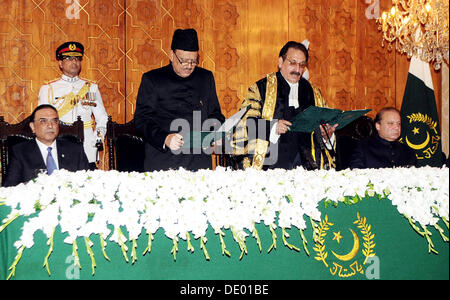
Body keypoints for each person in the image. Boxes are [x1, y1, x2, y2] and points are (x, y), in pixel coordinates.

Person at [232, 41, 337, 170]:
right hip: (271, 164)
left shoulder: (313, 93)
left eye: (302, 65)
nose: (297, 70)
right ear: (280, 62)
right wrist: (273, 127)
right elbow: (245, 124)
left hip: (307, 166)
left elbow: (324, 125)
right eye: (292, 63)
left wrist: (327, 135)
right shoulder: (261, 89)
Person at [134, 28, 225, 171]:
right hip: (164, 160)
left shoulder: (205, 78)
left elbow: (216, 114)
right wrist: (165, 138)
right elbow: (142, 120)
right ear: (171, 55)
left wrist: (213, 133)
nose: (189, 66)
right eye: (184, 61)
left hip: (198, 161)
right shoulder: (152, 79)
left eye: (194, 61)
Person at [38, 41, 108, 170]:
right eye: (69, 58)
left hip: (87, 146)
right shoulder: (48, 88)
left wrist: (97, 137)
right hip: (59, 144)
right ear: (60, 63)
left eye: (77, 58)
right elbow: (41, 120)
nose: (74, 61)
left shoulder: (91, 87)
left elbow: (102, 118)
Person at [3, 104, 89, 187]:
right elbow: (10, 188)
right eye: (43, 121)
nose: (50, 125)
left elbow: (88, 183)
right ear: (33, 127)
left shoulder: (75, 150)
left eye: (54, 121)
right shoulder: (20, 152)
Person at [349, 107, 417, 169]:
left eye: (398, 123)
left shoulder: (408, 152)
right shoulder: (363, 148)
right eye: (391, 123)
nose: (397, 127)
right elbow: (356, 175)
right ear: (378, 126)